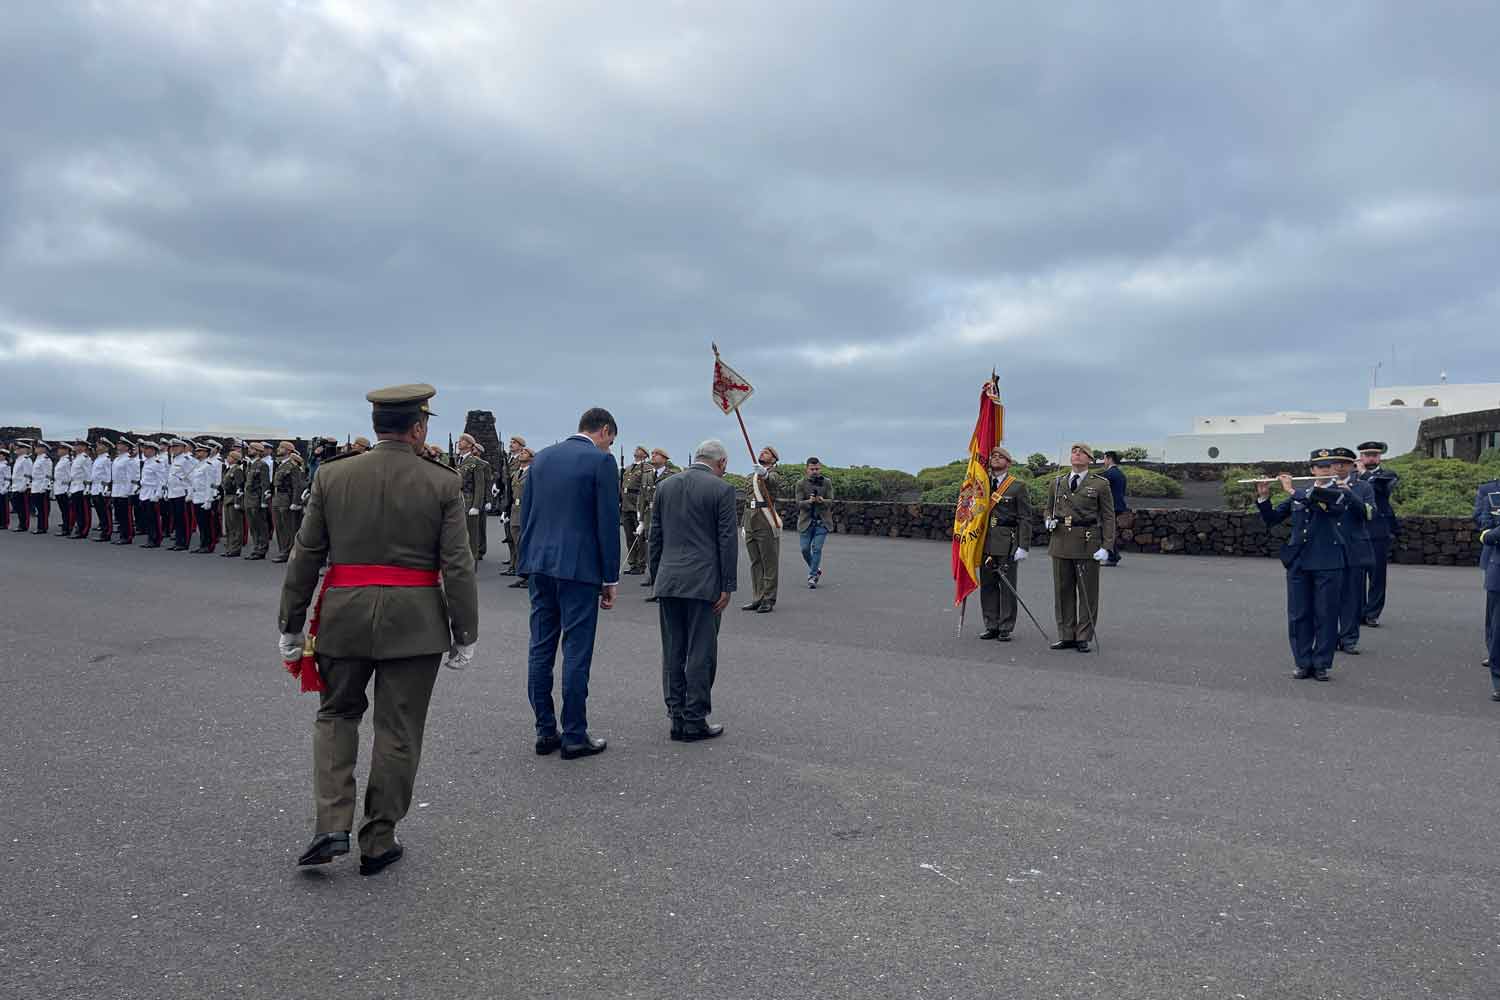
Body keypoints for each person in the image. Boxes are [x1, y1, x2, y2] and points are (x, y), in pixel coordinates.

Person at [278, 383, 478, 876]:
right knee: (399, 729)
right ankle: (378, 838)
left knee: (336, 716)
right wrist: (465, 631)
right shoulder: (442, 482)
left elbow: (305, 555)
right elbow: (457, 565)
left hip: (343, 615)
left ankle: (331, 823)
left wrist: (292, 623)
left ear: (375, 426)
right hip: (415, 623)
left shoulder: (332, 475)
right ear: (419, 428)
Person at [516, 407, 621, 760]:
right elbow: (607, 523)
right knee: (576, 650)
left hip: (540, 566)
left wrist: (525, 563)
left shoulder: (542, 458)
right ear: (604, 431)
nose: (609, 447)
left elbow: (527, 514)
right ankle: (575, 733)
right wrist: (610, 577)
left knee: (540, 647)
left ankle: (545, 730)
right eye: (611, 441)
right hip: (579, 569)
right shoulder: (601, 463)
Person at [649, 439, 737, 741]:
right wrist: (728, 585)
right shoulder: (722, 490)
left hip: (669, 579)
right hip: (704, 581)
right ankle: (694, 717)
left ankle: (675, 715)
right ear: (721, 463)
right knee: (701, 651)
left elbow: (655, 536)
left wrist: (656, 575)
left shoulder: (666, 486)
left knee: (672, 649)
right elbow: (727, 541)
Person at [1257, 452, 1364, 680]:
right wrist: (1264, 498)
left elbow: (1323, 505)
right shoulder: (1302, 492)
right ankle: (1302, 662)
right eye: (1320, 466)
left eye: (1329, 466)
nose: (1326, 470)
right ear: (1313, 470)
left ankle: (1321, 663)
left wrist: (1291, 491)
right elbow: (1273, 519)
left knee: (1326, 613)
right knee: (1298, 614)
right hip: (1299, 560)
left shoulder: (1340, 491)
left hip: (1328, 561)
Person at [1044, 443, 1115, 652]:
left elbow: (1109, 516)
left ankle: (1083, 635)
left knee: (1087, 592)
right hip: (1060, 541)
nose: (1076, 455)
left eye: (1081, 452)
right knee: (1063, 591)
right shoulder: (1057, 482)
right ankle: (1066, 634)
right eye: (1074, 452)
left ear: (1090, 460)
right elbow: (1048, 508)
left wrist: (1107, 545)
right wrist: (1048, 520)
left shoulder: (1100, 484)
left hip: (1087, 541)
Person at [1323, 447, 1376, 655]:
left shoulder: (1363, 487)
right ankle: (1330, 637)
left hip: (1354, 548)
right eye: (1335, 463)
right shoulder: (1323, 486)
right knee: (1328, 598)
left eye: (1344, 463)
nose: (1338, 466)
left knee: (1352, 597)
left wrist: (1349, 492)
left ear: (1352, 465)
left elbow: (1369, 514)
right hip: (1330, 548)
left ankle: (1349, 638)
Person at [978, 446, 1033, 641]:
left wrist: (1023, 546)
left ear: (1008, 463)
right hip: (985, 541)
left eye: (1000, 457)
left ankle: (1005, 626)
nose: (995, 459)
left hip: (1007, 541)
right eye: (993, 456)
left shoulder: (1017, 486)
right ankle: (990, 623)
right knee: (988, 584)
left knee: (1007, 585)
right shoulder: (982, 484)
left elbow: (1025, 518)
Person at [1356, 441, 1399, 627]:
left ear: (1380, 456)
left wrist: (1364, 474)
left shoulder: (1387, 475)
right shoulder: (1351, 476)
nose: (1371, 458)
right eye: (1367, 454)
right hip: (1356, 530)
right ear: (1361, 456)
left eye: (1375, 454)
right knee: (1355, 575)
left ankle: (1372, 613)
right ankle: (1356, 612)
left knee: (1377, 575)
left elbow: (1381, 491)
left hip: (1378, 530)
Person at [741, 445, 783, 613]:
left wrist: (765, 474)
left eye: (766, 453)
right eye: (761, 451)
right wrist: (744, 523)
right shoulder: (752, 475)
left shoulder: (773, 474)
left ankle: (768, 598)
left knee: (769, 562)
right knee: (755, 562)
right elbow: (747, 502)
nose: (762, 453)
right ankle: (757, 597)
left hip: (765, 520)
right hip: (751, 520)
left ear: (774, 458)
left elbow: (773, 483)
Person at [796, 457, 836, 589]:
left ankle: (812, 575)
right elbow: (799, 503)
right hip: (806, 522)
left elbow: (831, 501)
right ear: (807, 469)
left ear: (821, 468)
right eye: (812, 469)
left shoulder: (827, 483)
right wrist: (810, 501)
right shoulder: (801, 483)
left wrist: (822, 500)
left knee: (817, 549)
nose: (815, 471)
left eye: (817, 469)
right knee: (804, 549)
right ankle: (816, 569)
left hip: (822, 522)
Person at [1473, 477, 1500, 670]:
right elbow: (1481, 518)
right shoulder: (1488, 489)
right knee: (1494, 611)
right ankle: (1493, 652)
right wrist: (1491, 533)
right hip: (1495, 554)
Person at [270, 442, 305, 563]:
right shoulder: (281, 465)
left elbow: (297, 485)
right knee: (279, 527)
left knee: (288, 527)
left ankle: (289, 552)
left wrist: (296, 502)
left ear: (289, 451)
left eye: (281, 448)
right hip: (278, 498)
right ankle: (283, 550)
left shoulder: (292, 466)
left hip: (286, 499)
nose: (278, 449)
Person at [505, 447, 534, 586]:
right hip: (514, 511)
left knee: (525, 544)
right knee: (517, 543)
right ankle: (521, 572)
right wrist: (506, 510)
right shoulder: (516, 473)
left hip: (526, 510)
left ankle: (529, 575)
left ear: (531, 457)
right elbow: (510, 494)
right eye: (521, 452)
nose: (522, 453)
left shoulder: (533, 473)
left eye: (525, 452)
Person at [620, 446, 650, 575]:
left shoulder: (646, 468)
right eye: (636, 450)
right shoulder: (627, 468)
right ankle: (632, 563)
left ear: (644, 455)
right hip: (626, 505)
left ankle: (640, 563)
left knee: (640, 537)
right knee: (629, 536)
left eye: (640, 450)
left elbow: (645, 488)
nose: (636, 452)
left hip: (637, 505)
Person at [456, 433, 485, 562]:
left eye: (462, 440)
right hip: (458, 499)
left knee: (472, 534)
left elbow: (479, 485)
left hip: (469, 499)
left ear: (469, 444)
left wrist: (476, 505)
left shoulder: (475, 462)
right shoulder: (458, 460)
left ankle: (472, 561)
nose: (459, 442)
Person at [243, 442, 272, 560]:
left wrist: (264, 501)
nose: (249, 450)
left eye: (252, 449)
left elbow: (265, 484)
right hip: (248, 499)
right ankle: (256, 547)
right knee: (253, 526)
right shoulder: (250, 464)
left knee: (261, 525)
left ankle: (261, 549)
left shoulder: (262, 465)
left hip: (257, 499)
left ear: (258, 451)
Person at [136, 439, 167, 548]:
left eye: (148, 449)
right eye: (144, 449)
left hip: (152, 492)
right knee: (147, 518)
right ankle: (150, 537)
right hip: (145, 492)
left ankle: (156, 539)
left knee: (154, 518)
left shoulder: (157, 462)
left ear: (154, 451)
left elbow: (162, 480)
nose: (145, 451)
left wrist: (158, 494)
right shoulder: (146, 462)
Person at [166, 439, 196, 549]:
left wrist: (191, 493)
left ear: (183, 448)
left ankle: (184, 542)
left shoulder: (186, 460)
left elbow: (192, 478)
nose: (174, 449)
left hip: (182, 492)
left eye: (177, 447)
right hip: (173, 493)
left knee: (184, 520)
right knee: (177, 519)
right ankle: (178, 541)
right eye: (173, 447)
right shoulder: (174, 460)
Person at [1100, 451, 1129, 566]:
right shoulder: (1121, 474)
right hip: (1118, 506)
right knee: (1109, 531)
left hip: (1110, 507)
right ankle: (1113, 555)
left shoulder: (1109, 474)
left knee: (1107, 532)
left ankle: (1112, 556)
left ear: (1109, 459)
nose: (1104, 461)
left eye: (1104, 459)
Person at [110, 439, 140, 544]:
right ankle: (122, 534)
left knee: (126, 515)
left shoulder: (129, 459)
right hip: (116, 489)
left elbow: (134, 476)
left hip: (125, 490)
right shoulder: (117, 459)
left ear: (127, 447)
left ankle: (128, 536)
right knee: (119, 514)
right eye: (118, 444)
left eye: (121, 444)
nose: (118, 445)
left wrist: (130, 491)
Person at [221, 448, 247, 557]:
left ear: (235, 459)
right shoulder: (228, 469)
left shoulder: (237, 470)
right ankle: (229, 547)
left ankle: (235, 548)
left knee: (236, 525)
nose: (228, 458)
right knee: (229, 525)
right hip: (227, 498)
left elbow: (239, 486)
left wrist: (238, 501)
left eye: (230, 457)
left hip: (233, 499)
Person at [89, 439, 113, 541]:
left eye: (100, 445)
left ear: (106, 448)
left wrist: (107, 489)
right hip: (95, 488)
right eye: (97, 445)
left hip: (102, 488)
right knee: (100, 512)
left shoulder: (106, 459)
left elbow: (108, 476)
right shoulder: (98, 459)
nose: (97, 447)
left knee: (105, 512)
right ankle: (103, 530)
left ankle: (107, 532)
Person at [28, 440, 53, 535]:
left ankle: (43, 527)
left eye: (37, 447)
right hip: (35, 487)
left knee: (43, 509)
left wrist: (44, 488)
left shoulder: (45, 460)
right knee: (39, 509)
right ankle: (40, 526)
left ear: (43, 449)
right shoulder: (38, 459)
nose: (35, 448)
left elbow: (47, 475)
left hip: (41, 488)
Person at [68, 440, 92, 539]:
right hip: (75, 486)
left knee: (84, 511)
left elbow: (88, 474)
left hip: (82, 487)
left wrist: (87, 488)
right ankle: (79, 527)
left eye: (78, 446)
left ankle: (84, 530)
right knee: (77, 510)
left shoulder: (85, 458)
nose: (76, 447)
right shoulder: (76, 458)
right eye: (76, 445)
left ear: (83, 447)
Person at [8, 439, 32, 532]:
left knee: (23, 507)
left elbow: (28, 475)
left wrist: (25, 486)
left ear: (24, 449)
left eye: (19, 448)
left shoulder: (26, 460)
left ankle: (24, 525)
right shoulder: (18, 459)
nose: (17, 449)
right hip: (16, 486)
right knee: (17, 506)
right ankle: (21, 523)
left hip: (22, 487)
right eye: (17, 447)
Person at [50, 442, 73, 537]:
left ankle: (67, 528)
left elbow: (69, 476)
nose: (58, 451)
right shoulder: (62, 460)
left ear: (66, 450)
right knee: (63, 510)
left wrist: (68, 489)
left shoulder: (67, 461)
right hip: (59, 488)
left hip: (64, 489)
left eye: (60, 449)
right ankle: (65, 525)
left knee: (66, 510)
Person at [0, 445, 10, 531]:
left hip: (2, 489)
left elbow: (8, 479)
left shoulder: (6, 465)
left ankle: (4, 523)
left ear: (4, 456)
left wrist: (4, 489)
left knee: (4, 508)